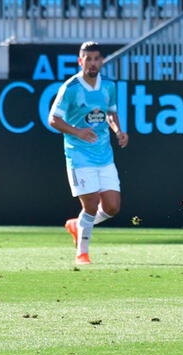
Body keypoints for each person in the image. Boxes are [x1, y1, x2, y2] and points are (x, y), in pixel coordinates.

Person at [49, 41, 129, 265]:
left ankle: (78, 225)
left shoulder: (108, 86)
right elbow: (53, 119)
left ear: (101, 61)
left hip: (104, 154)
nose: (93, 63)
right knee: (91, 204)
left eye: (96, 59)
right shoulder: (71, 87)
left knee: (112, 207)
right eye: (88, 59)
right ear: (80, 60)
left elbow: (111, 113)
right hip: (78, 154)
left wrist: (118, 131)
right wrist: (78, 132)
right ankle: (82, 253)